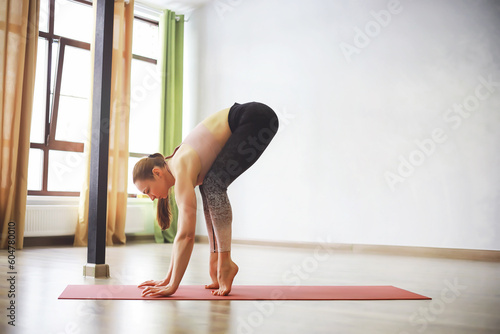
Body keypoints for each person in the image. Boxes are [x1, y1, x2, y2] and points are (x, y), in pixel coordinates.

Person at [132, 102, 279, 297]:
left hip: (256, 118)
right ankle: (218, 260)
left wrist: (173, 286)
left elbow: (186, 235)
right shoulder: (180, 165)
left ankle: (225, 263)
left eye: (147, 190)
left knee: (213, 185)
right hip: (251, 118)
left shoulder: (181, 166)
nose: (151, 198)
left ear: (157, 172)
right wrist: (166, 279)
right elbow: (181, 237)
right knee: (209, 185)